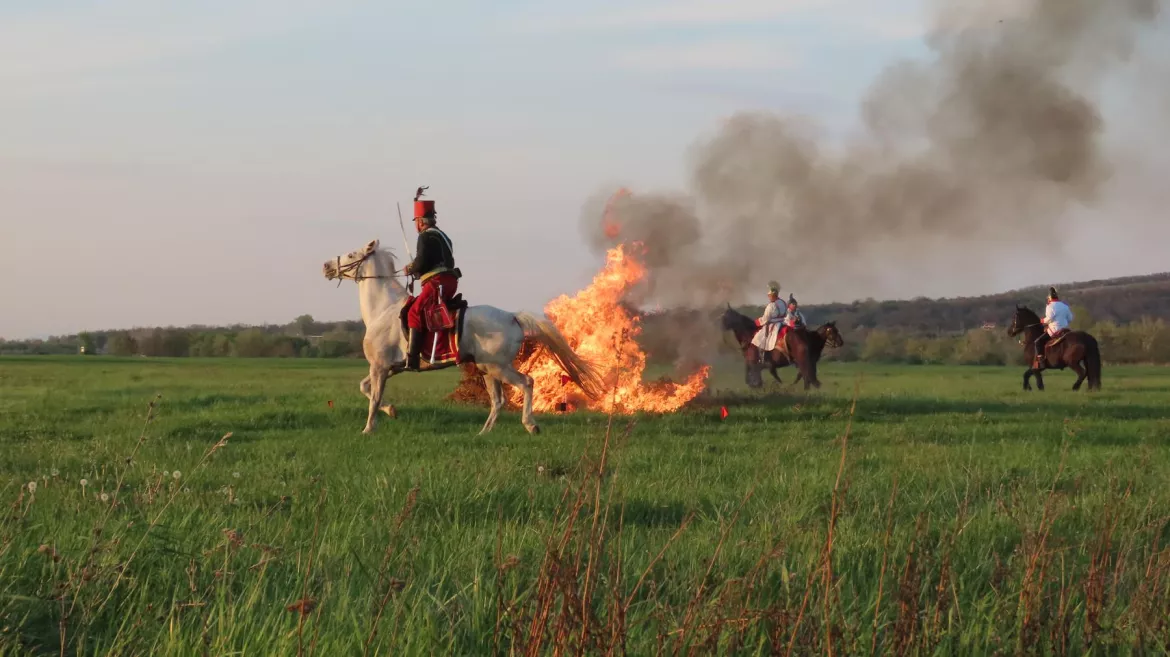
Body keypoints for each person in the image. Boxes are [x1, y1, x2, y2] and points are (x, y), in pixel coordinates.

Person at [402, 189, 461, 371]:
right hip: (449, 280)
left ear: (420, 222)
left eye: (416, 222)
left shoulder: (425, 236)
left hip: (437, 282)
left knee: (413, 312)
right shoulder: (444, 236)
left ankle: (412, 360)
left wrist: (410, 269)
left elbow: (421, 262)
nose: (416, 226)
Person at [1034, 286, 1073, 368]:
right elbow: (1070, 318)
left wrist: (1041, 321)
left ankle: (1041, 363)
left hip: (1054, 330)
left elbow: (1048, 319)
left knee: (1038, 342)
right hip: (1065, 329)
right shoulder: (1064, 306)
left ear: (1049, 297)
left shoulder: (1050, 306)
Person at [750, 281, 785, 359]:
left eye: (769, 296)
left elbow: (765, 319)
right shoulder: (782, 302)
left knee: (758, 338)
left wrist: (756, 322)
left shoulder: (771, 306)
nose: (769, 297)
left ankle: (763, 356)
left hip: (773, 325)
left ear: (772, 295)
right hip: (783, 323)